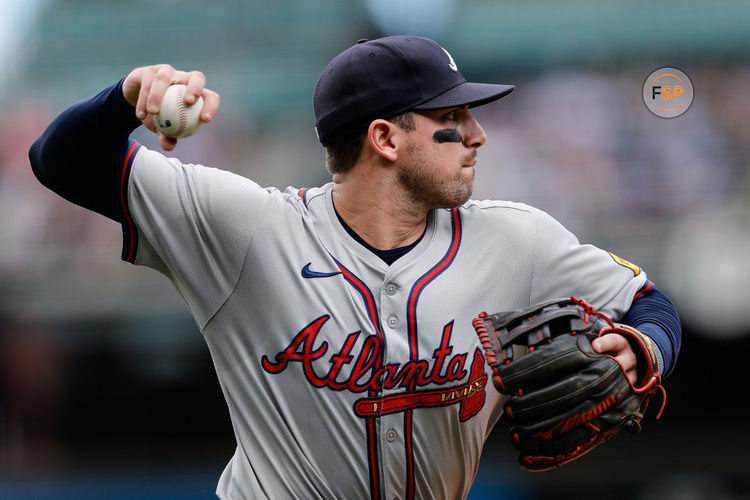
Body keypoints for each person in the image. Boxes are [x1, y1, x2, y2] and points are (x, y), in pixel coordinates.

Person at [29, 36, 681, 499]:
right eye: (452, 118)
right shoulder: (248, 228)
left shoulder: (517, 239)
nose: (477, 135)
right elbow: (58, 159)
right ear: (385, 139)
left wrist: (641, 347)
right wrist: (125, 97)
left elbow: (650, 302)